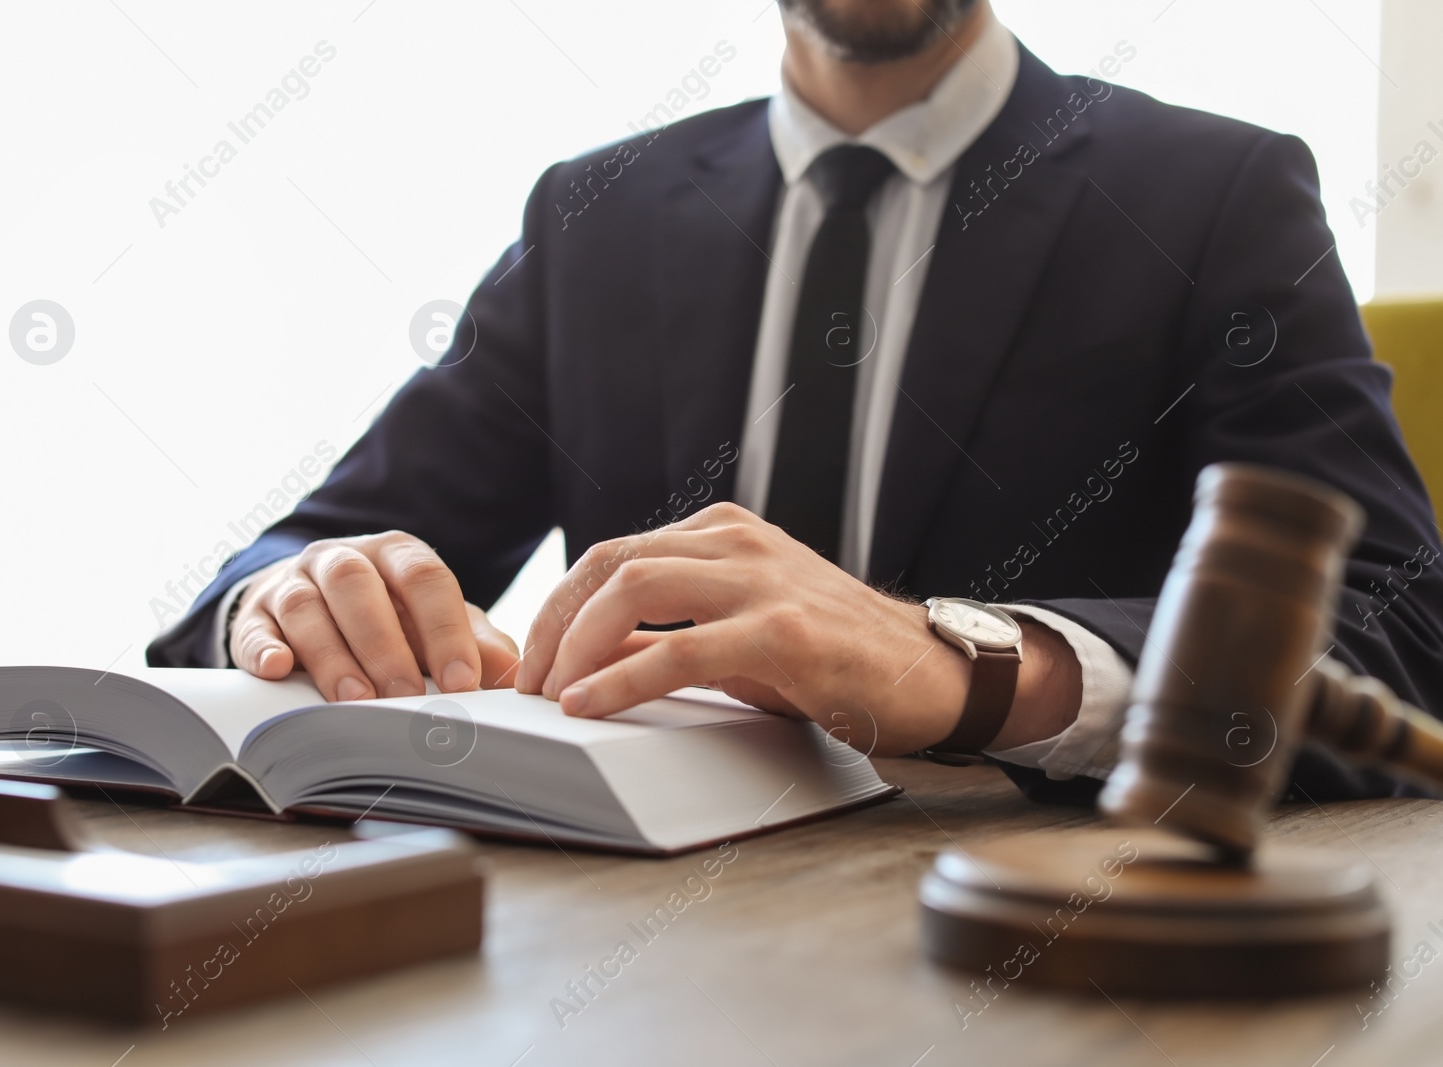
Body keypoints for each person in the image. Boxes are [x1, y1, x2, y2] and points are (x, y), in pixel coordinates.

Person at [149, 0, 1443, 801]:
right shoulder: (594, 214)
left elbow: (1405, 638)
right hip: (634, 959)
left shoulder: (1213, 194)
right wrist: (292, 600)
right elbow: (290, 555)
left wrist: (978, 671)